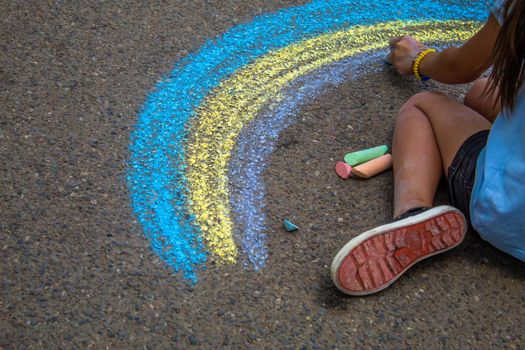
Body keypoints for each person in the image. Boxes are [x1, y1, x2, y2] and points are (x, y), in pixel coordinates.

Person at [331, 0, 525, 296]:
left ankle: (412, 214)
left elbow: (461, 67)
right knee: (482, 92)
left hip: (510, 214)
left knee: (422, 106)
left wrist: (420, 59)